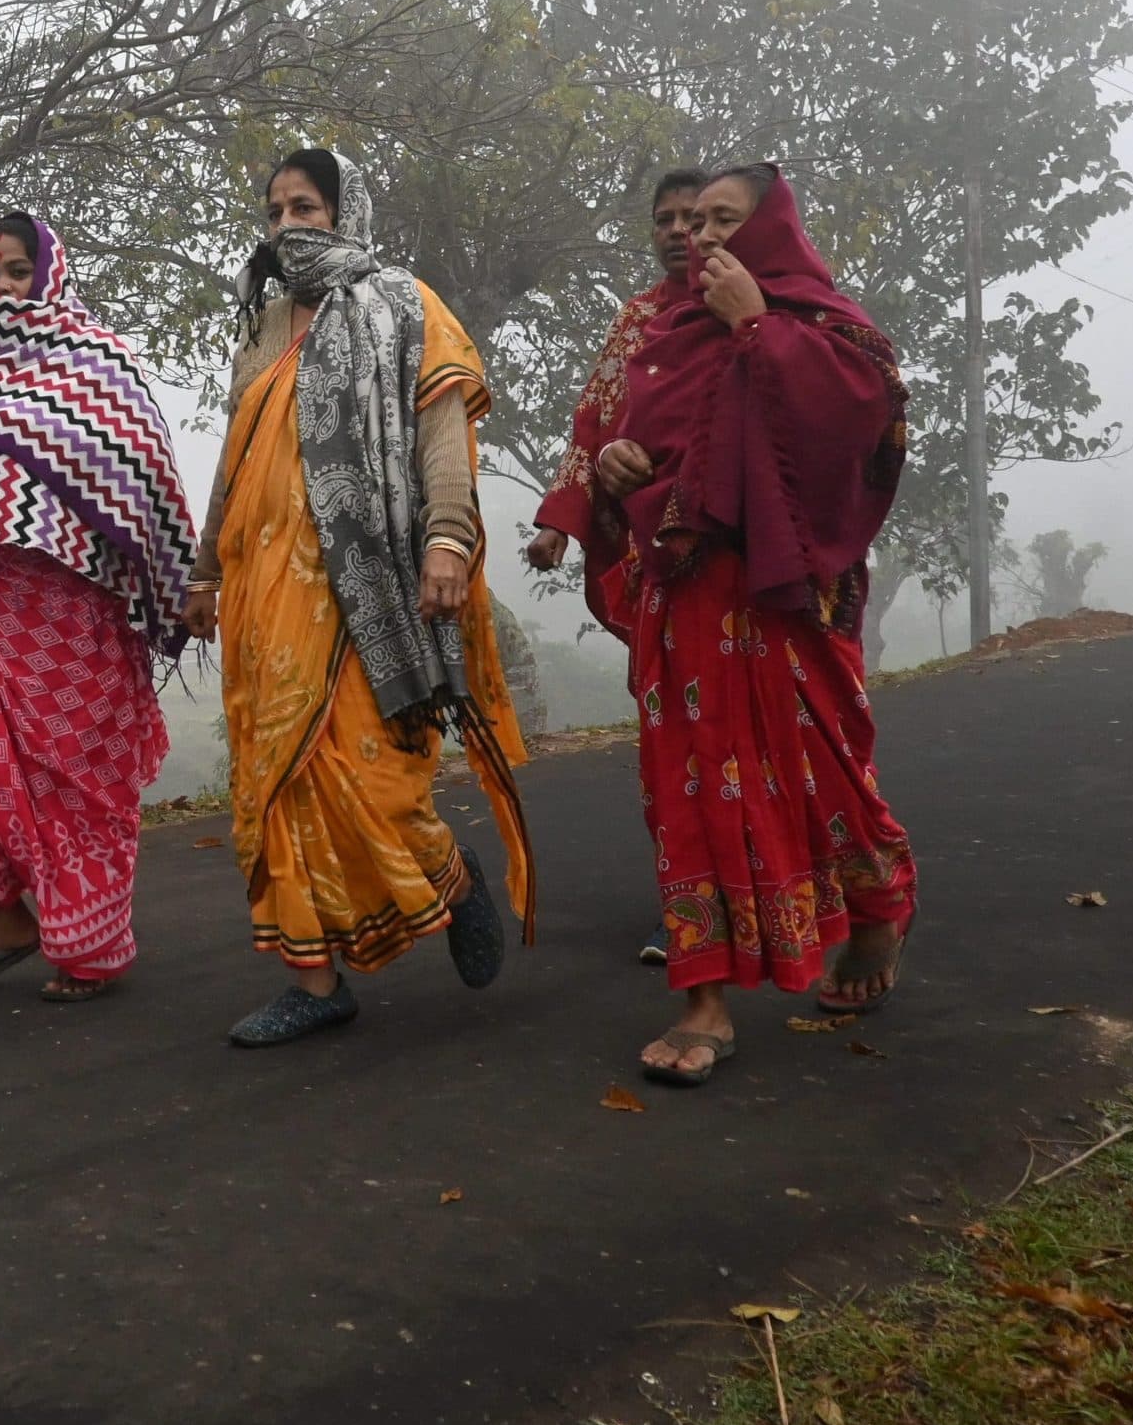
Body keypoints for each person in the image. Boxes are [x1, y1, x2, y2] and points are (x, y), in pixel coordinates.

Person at [184, 149, 537, 1047]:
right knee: (277, 774)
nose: (286, 226)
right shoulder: (265, 324)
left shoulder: (404, 306)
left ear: (347, 213)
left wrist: (449, 539)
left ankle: (450, 877)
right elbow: (235, 457)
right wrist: (204, 571)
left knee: (373, 775)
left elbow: (441, 434)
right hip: (263, 588)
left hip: (365, 586)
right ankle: (312, 978)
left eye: (306, 207)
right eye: (275, 211)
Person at [594, 164, 918, 1086]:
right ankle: (704, 998)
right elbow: (647, 442)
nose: (701, 238)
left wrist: (757, 325)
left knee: (822, 770)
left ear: (772, 229)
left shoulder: (827, 326)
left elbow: (861, 423)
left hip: (783, 598)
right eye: (692, 223)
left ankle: (879, 906)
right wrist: (620, 463)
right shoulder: (669, 332)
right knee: (688, 785)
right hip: (686, 597)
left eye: (723, 220)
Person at [0, 212, 199, 1003]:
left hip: (73, 617)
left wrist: (177, 581)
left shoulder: (98, 363)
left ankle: (90, 946)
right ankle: (7, 919)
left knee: (75, 784)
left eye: (17, 271)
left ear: (51, 273)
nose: (1, 286)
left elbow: (146, 481)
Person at [526, 168, 708, 966]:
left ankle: (772, 892)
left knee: (738, 734)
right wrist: (561, 522)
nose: (679, 232)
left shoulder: (757, 314)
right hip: (652, 568)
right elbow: (592, 424)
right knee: (669, 734)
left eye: (695, 217)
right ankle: (688, 907)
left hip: (733, 567)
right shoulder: (636, 321)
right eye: (665, 218)